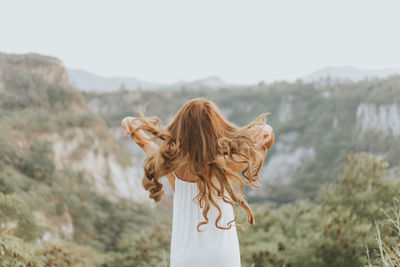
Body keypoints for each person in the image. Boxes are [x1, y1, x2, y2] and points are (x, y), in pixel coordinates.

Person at [121, 97, 274, 267]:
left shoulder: (170, 164)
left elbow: (143, 142)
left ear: (180, 129)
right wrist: (266, 129)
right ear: (217, 129)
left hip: (185, 257)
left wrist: (130, 123)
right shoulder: (226, 165)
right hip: (222, 257)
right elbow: (263, 143)